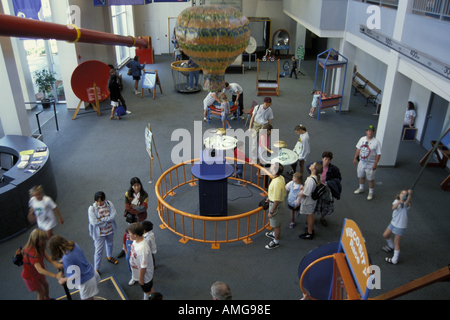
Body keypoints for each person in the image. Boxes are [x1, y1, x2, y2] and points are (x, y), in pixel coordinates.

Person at [48, 235, 100, 300]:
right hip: (91, 272)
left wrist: (63, 280)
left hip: (86, 282)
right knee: (90, 297)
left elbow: (74, 276)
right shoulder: (74, 244)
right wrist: (66, 262)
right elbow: (76, 259)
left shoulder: (66, 258)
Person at [20, 229, 63, 300]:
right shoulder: (32, 252)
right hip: (30, 277)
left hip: (37, 274)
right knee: (41, 292)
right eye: (42, 240)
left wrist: (56, 264)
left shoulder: (40, 246)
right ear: (35, 240)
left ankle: (47, 299)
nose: (44, 242)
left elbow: (48, 258)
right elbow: (39, 269)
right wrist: (55, 276)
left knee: (46, 285)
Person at [88, 191, 118, 274]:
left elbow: (113, 216)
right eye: (97, 201)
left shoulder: (109, 204)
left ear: (104, 199)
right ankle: (96, 269)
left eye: (101, 201)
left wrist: (101, 220)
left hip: (110, 230)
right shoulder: (92, 208)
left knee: (110, 244)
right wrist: (106, 221)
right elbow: (94, 222)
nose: (99, 203)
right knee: (98, 251)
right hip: (99, 234)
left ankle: (109, 256)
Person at [311, 151, 342, 226]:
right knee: (314, 202)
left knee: (325, 203)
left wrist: (329, 183)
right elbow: (309, 167)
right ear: (322, 159)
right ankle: (311, 217)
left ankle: (322, 217)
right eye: (325, 159)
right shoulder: (317, 165)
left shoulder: (333, 169)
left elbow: (338, 179)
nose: (327, 161)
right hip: (317, 187)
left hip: (325, 189)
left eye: (329, 159)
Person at [383, 189, 413, 265]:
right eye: (402, 193)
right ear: (399, 195)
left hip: (400, 226)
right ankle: (391, 246)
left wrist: (410, 195)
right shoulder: (396, 201)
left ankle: (394, 259)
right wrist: (400, 202)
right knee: (385, 235)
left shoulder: (406, 204)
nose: (403, 195)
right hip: (393, 223)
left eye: (405, 194)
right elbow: (393, 208)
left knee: (397, 242)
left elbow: (408, 202)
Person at [353, 125, 382, 200]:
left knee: (370, 179)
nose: (370, 132)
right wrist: (355, 158)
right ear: (366, 131)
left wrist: (375, 163)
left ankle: (371, 192)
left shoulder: (376, 142)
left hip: (371, 164)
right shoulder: (362, 139)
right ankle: (361, 188)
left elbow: (378, 154)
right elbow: (358, 149)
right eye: (369, 131)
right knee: (361, 176)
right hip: (362, 162)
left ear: (373, 132)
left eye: (372, 131)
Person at [126, 222, 155, 300]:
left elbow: (143, 266)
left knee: (147, 292)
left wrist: (141, 279)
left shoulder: (143, 249)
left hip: (144, 277)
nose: (128, 235)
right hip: (140, 274)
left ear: (135, 235)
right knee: (149, 290)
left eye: (129, 233)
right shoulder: (136, 241)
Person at [264, 162, 286, 249]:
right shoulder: (280, 177)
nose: (271, 167)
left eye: (272, 167)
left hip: (275, 205)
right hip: (279, 202)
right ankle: (274, 233)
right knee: (277, 221)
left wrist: (271, 212)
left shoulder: (276, 183)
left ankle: (276, 241)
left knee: (276, 225)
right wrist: (270, 197)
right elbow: (277, 194)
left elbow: (276, 200)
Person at [299, 162, 323, 240]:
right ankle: (311, 229)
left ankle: (309, 233)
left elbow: (306, 193)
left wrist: (299, 194)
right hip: (313, 200)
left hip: (308, 201)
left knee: (309, 216)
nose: (311, 165)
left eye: (313, 165)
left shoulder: (310, 180)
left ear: (314, 170)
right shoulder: (318, 177)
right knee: (311, 214)